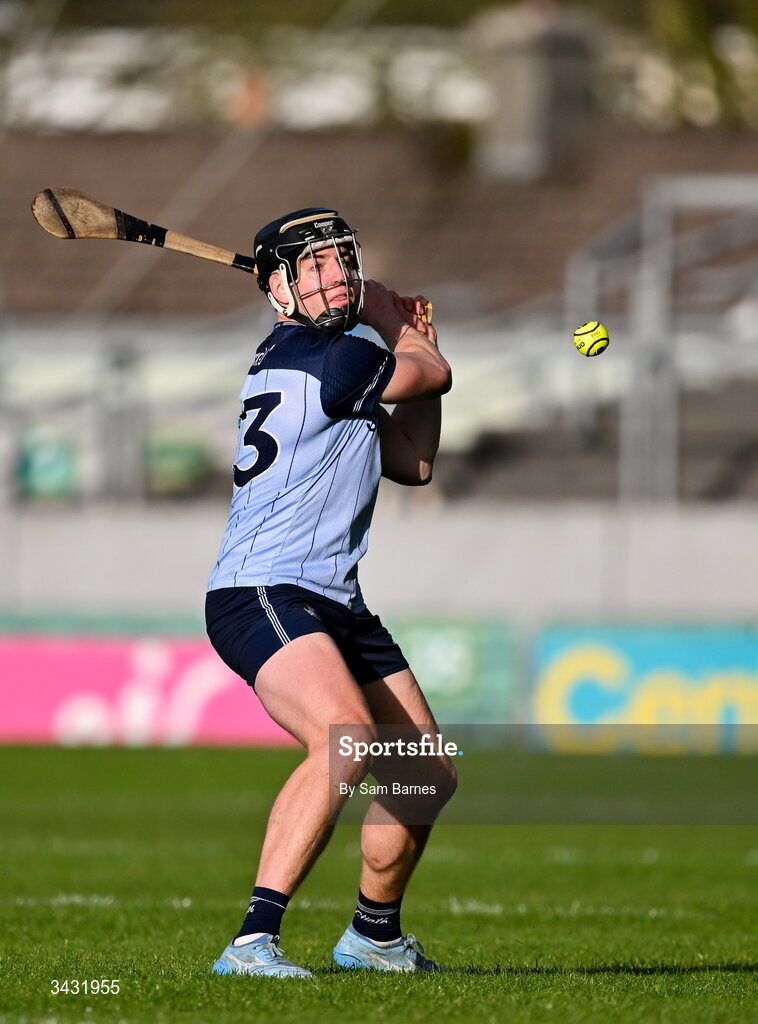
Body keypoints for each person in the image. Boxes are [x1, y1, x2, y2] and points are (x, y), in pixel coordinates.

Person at [205, 207, 456, 978]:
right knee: (345, 735)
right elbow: (432, 374)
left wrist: (417, 346)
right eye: (313, 266)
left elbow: (413, 461)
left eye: (342, 260)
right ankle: (251, 942)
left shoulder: (335, 363)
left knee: (424, 776)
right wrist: (392, 319)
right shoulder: (336, 360)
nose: (337, 275)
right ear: (280, 290)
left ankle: (374, 937)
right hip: (263, 591)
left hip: (333, 600)